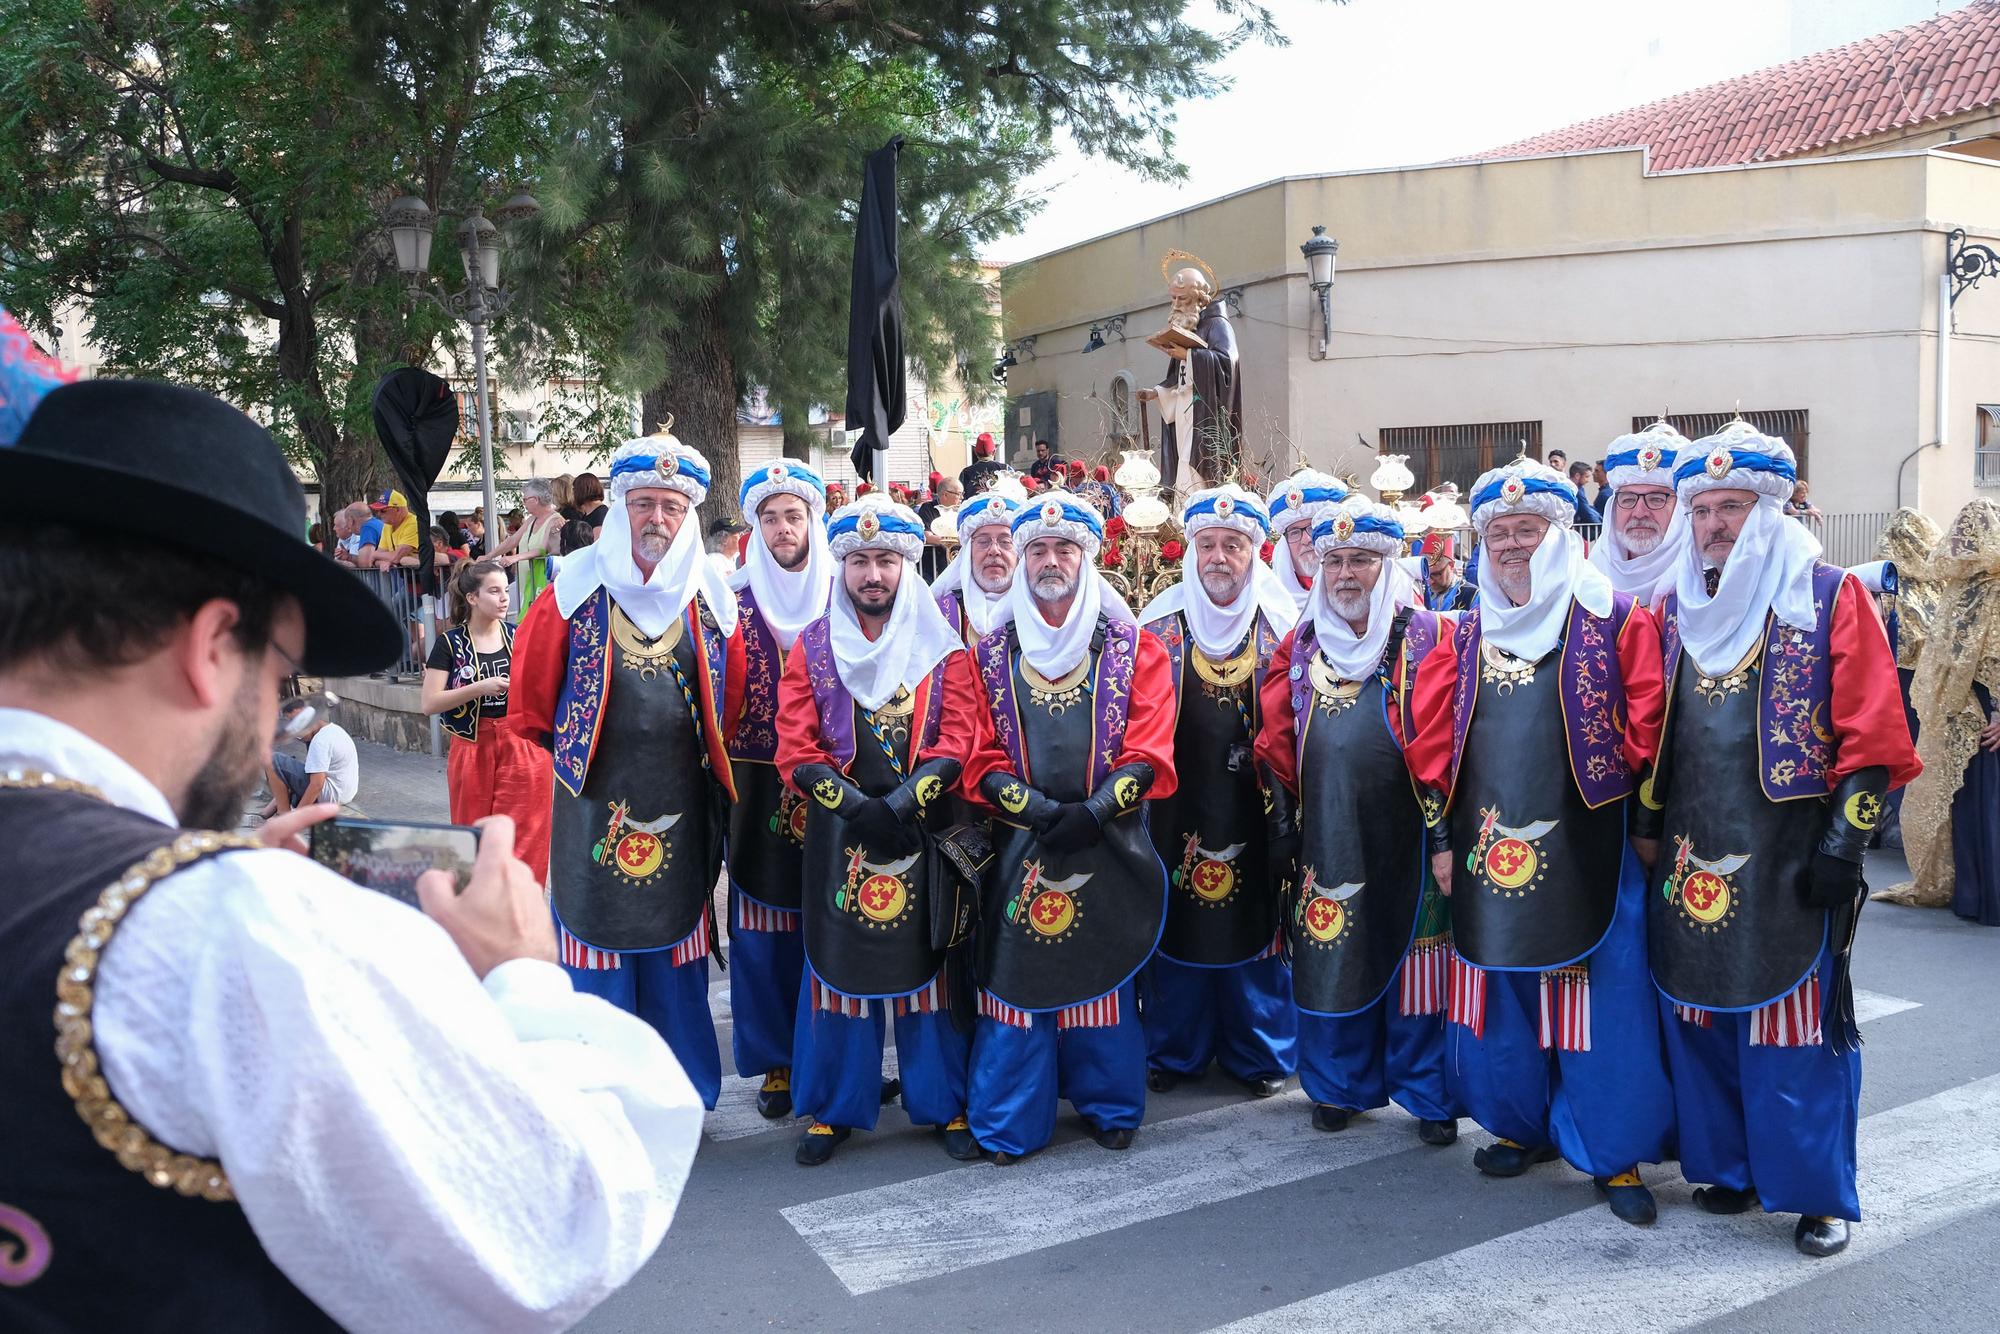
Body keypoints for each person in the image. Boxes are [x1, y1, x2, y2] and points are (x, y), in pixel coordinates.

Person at [0, 377, 700, 1332]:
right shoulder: (238, 927)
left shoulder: (213, 902)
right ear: (212, 650)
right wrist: (525, 980)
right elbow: (560, 1230)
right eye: (280, 674)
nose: (273, 712)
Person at [1641, 423, 1918, 1256]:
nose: (1716, 524)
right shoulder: (1671, 608)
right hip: (1693, 848)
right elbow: (1654, 735)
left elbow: (1875, 735)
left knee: (1794, 1029)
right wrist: (1649, 829)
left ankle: (1813, 1193)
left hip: (1792, 851)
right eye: (1705, 510)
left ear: (1770, 512)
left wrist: (1844, 845)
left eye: (1734, 508)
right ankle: (1727, 1170)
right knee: (1701, 1014)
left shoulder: (1831, 596)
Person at [1407, 456, 1673, 1228]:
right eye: (1500, 533)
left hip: (1591, 848)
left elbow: (1649, 736)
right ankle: (1520, 1126)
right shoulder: (1461, 634)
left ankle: (1610, 1149)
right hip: (1488, 853)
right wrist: (1441, 844)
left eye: (1529, 530)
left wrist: (1646, 832)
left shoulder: (1616, 619)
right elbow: (1429, 753)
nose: (1514, 545)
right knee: (1504, 998)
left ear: (1561, 537)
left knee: (1602, 1003)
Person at [933, 490, 1177, 1162]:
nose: (1049, 560)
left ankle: (1110, 1104)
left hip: (1111, 840)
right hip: (1020, 846)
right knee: (1018, 983)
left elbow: (1149, 749)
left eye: (1063, 548)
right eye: (1036, 549)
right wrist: (1039, 811)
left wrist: (1095, 812)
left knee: (1102, 977)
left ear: (1086, 556)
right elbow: (976, 754)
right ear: (1019, 558)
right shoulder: (986, 654)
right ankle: (1011, 1120)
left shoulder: (1134, 647)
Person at [510, 428, 744, 1109]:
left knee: (676, 957)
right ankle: (599, 1099)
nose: (658, 520)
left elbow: (729, 707)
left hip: (683, 802)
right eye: (643, 504)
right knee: (597, 952)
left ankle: (679, 1098)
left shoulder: (712, 599)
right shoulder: (571, 593)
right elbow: (528, 705)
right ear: (619, 509)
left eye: (672, 507)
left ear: (689, 515)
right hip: (593, 807)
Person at [775, 498, 977, 1165]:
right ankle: (835, 1110)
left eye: (886, 560)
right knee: (838, 975)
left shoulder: (941, 645)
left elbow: (962, 734)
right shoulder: (813, 644)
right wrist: (855, 805)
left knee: (930, 973)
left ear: (907, 566)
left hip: (920, 832)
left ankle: (943, 1103)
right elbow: (794, 745)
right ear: (843, 567)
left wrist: (909, 798)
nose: (873, 574)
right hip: (841, 836)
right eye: (859, 561)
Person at [1256, 495, 1464, 1143]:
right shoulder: (1300, 646)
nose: (1346, 574)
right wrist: (1282, 824)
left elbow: (1451, 743)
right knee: (1333, 956)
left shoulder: (1431, 635)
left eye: (1363, 562)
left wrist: (1443, 836)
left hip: (1412, 836)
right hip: (1328, 833)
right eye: (1335, 560)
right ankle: (1336, 1086)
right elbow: (1273, 737)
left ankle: (1430, 1094)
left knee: (1418, 966)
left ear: (1389, 565)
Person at [1137, 485, 1301, 1097]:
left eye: (1234, 545)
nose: (1219, 558)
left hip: (1255, 807)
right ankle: (1174, 1050)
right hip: (1175, 802)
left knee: (1252, 924)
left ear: (1254, 552)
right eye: (1208, 545)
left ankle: (1258, 1053)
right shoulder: (1156, 624)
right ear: (1190, 551)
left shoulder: (1284, 623)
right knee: (1179, 919)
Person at [723, 460, 834, 1119]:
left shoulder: (844, 595)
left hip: (832, 784)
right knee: (764, 929)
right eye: (770, 517)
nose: (782, 528)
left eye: (794, 516)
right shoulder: (728, 601)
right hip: (755, 783)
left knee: (834, 924)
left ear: (812, 522)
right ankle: (776, 1065)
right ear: (756, 527)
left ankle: (829, 1058)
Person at [1885, 500, 2000, 921]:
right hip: (1960, 712)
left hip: (1988, 712)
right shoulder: (1957, 587)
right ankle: (1973, 893)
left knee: (1987, 801)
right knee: (1968, 802)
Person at [421, 558, 553, 879]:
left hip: (521, 745)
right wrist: (479, 688)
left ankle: (521, 904)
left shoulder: (519, 636)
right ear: (472, 598)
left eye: (505, 590)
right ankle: (475, 908)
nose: (504, 598)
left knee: (526, 834)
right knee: (472, 834)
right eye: (494, 591)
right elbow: (429, 702)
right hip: (472, 746)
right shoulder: (450, 643)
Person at [1587, 421, 1690, 608]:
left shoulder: (1700, 579)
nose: (1640, 513)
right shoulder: (1589, 577)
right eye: (1628, 499)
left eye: (1656, 499)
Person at [933, 493, 1020, 644]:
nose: (994, 550)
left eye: (1005, 541)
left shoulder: (1040, 610)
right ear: (967, 554)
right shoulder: (940, 614)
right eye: (983, 541)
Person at [1265, 469, 1350, 619]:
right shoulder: (1266, 603)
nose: (1306, 539)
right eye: (1295, 532)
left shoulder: (1357, 597)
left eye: (1313, 528)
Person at [264, 699, 359, 815]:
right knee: (286, 775)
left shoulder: (320, 741)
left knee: (272, 760)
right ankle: (266, 813)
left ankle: (283, 814)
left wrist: (295, 818)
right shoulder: (333, 730)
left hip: (331, 795)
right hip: (345, 794)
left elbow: (317, 785)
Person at [491, 479, 563, 608]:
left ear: (535, 500)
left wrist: (515, 558)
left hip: (541, 585)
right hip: (526, 584)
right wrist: (489, 556)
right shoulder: (531, 519)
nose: (523, 503)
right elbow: (512, 541)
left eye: (525, 499)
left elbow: (541, 550)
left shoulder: (555, 520)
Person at [918, 475, 964, 583]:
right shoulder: (928, 508)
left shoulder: (962, 511)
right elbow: (927, 536)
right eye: (959, 494)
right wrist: (954, 541)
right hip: (933, 567)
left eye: (963, 494)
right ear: (946, 494)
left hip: (958, 565)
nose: (962, 497)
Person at [1419, 532, 1477, 611]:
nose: (1430, 581)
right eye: (1426, 575)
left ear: (1452, 565)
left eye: (1436, 574)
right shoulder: (1421, 592)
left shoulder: (1473, 595)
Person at [366, 489, 422, 570]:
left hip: (420, 578)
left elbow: (396, 557)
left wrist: (374, 554)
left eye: (383, 511)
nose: (379, 514)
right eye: (378, 511)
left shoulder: (413, 524)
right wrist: (384, 562)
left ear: (397, 510)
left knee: (404, 560)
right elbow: (376, 560)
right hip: (406, 578)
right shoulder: (387, 525)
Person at [960, 432, 1006, 496]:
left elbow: (961, 496)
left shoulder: (966, 473)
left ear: (976, 452)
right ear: (994, 452)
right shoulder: (1005, 469)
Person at [1565, 462, 1603, 528]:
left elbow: (1587, 507)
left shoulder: (1573, 487)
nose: (1588, 480)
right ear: (1577, 476)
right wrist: (1600, 525)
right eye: (1586, 477)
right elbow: (1585, 510)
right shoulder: (1576, 491)